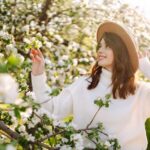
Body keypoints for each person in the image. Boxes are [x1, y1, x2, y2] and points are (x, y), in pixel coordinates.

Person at [30, 21, 150, 150]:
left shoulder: (140, 92)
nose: (100, 51)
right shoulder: (85, 83)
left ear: (121, 51)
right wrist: (38, 74)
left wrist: (146, 67)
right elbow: (53, 109)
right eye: (100, 46)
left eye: (107, 46)